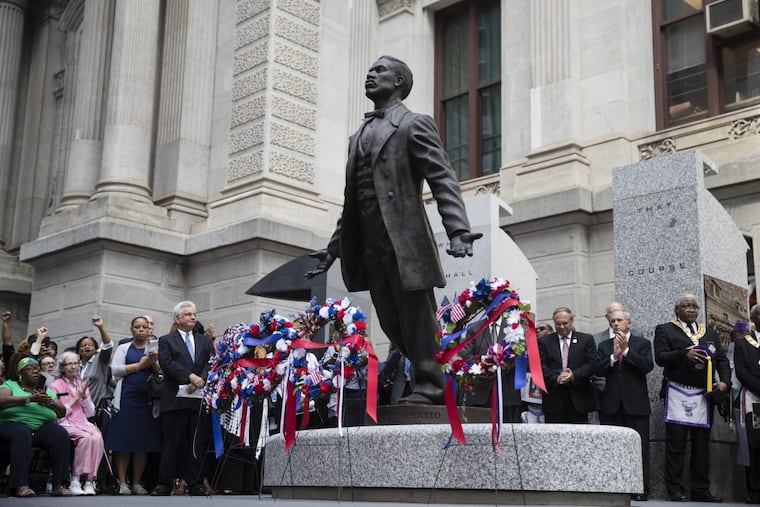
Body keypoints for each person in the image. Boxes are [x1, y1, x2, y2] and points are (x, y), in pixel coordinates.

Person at [306, 55, 481, 405]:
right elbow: (352, 200)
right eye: (369, 70)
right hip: (370, 244)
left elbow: (442, 177)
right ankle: (430, 372)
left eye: (380, 71)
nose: (370, 75)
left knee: (417, 316)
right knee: (390, 320)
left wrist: (458, 230)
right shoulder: (358, 136)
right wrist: (333, 248)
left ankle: (431, 384)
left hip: (405, 242)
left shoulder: (415, 124)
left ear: (399, 81)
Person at [654, 293, 730, 503]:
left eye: (695, 306)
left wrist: (724, 382)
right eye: (686, 306)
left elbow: (722, 360)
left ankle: (700, 488)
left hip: (703, 396)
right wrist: (683, 354)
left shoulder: (710, 332)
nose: (691, 309)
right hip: (677, 392)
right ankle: (675, 489)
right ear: (677, 309)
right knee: (676, 445)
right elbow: (660, 358)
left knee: (701, 446)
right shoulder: (665, 329)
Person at [151, 301, 214, 497]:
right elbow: (167, 363)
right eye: (187, 314)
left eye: (194, 314)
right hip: (175, 400)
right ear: (177, 319)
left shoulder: (204, 341)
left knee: (196, 443)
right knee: (172, 443)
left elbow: (210, 362)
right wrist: (190, 377)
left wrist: (201, 379)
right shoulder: (166, 340)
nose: (193, 317)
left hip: (197, 399)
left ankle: (195, 484)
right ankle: (164, 483)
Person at [594, 310, 653, 501]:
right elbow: (597, 369)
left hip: (636, 404)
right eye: (613, 321)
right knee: (611, 448)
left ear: (629, 323)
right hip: (611, 404)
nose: (616, 323)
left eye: (620, 320)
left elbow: (647, 366)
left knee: (639, 447)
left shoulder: (641, 344)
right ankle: (614, 486)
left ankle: (641, 488)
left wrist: (627, 351)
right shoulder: (603, 345)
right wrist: (613, 356)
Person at [0, 357, 72, 497]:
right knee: (22, 432)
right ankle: (20, 485)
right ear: (20, 373)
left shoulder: (45, 391)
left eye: (37, 369)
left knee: (60, 434)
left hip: (38, 428)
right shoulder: (10, 385)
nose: (35, 371)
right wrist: (29, 399)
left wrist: (49, 401)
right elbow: (1, 401)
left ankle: (59, 485)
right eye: (29, 369)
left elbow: (62, 412)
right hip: (11, 425)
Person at [105, 316, 161, 495]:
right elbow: (116, 370)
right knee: (123, 442)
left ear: (149, 330)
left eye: (145, 327)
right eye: (137, 327)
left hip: (146, 400)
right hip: (126, 399)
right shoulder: (124, 348)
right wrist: (140, 365)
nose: (141, 330)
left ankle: (137, 482)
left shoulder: (154, 347)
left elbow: (162, 373)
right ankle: (122, 482)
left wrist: (154, 363)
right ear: (131, 330)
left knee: (141, 443)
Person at [50, 351, 104, 496]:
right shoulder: (55, 385)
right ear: (62, 368)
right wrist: (76, 397)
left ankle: (89, 481)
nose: (74, 367)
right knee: (86, 439)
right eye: (70, 364)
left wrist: (85, 396)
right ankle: (75, 479)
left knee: (97, 437)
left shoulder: (81, 383)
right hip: (65, 423)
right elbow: (59, 416)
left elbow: (90, 412)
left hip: (82, 422)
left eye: (76, 363)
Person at [537, 307, 597, 424]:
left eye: (565, 323)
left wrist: (573, 375)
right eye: (558, 324)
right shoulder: (544, 341)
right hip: (554, 399)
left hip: (579, 398)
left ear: (572, 321)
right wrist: (557, 377)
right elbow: (541, 366)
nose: (562, 327)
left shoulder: (586, 339)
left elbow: (591, 364)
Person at [735, 305, 760, 504]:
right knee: (756, 445)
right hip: (753, 398)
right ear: (754, 318)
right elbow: (742, 372)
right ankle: (756, 490)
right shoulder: (743, 344)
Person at [75, 315, 114, 409]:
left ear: (95, 349)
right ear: (79, 350)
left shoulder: (100, 360)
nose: (87, 347)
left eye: (90, 345)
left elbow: (108, 345)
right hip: (76, 409)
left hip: (96, 408)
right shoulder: (75, 364)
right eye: (83, 346)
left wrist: (100, 327)